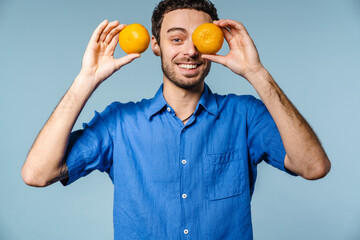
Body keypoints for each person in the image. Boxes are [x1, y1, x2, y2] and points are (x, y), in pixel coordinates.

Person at [21, 0, 331, 239]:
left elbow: (313, 166)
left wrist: (257, 73)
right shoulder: (120, 123)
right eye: (177, 39)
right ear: (156, 45)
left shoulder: (245, 115)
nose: (191, 51)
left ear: (216, 41)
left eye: (200, 37)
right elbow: (37, 174)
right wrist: (85, 80)